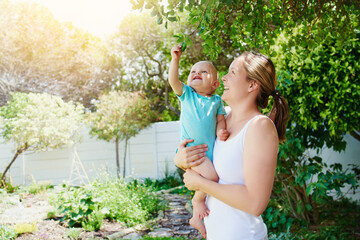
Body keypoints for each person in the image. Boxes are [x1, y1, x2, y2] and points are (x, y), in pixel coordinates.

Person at [174, 51, 290, 239]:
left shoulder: (259, 126)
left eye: (233, 73)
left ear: (252, 85)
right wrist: (180, 158)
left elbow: (255, 203)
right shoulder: (222, 119)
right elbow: (202, 155)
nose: (225, 78)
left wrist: (201, 183)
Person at [169, 45, 229, 237]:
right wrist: (175, 59)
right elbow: (173, 80)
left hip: (208, 153)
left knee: (210, 178)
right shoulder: (187, 95)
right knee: (212, 179)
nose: (197, 73)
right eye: (193, 71)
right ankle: (197, 201)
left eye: (204, 72)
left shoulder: (217, 100)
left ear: (215, 84)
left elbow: (221, 120)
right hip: (193, 151)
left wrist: (221, 132)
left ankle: (197, 219)